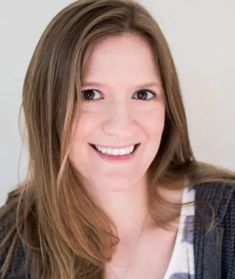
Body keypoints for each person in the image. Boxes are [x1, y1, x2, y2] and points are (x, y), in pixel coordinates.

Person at [0, 0, 235, 278]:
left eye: (143, 94)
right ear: (47, 107)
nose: (121, 124)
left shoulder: (228, 219)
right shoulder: (10, 243)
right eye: (90, 94)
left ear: (168, 107)